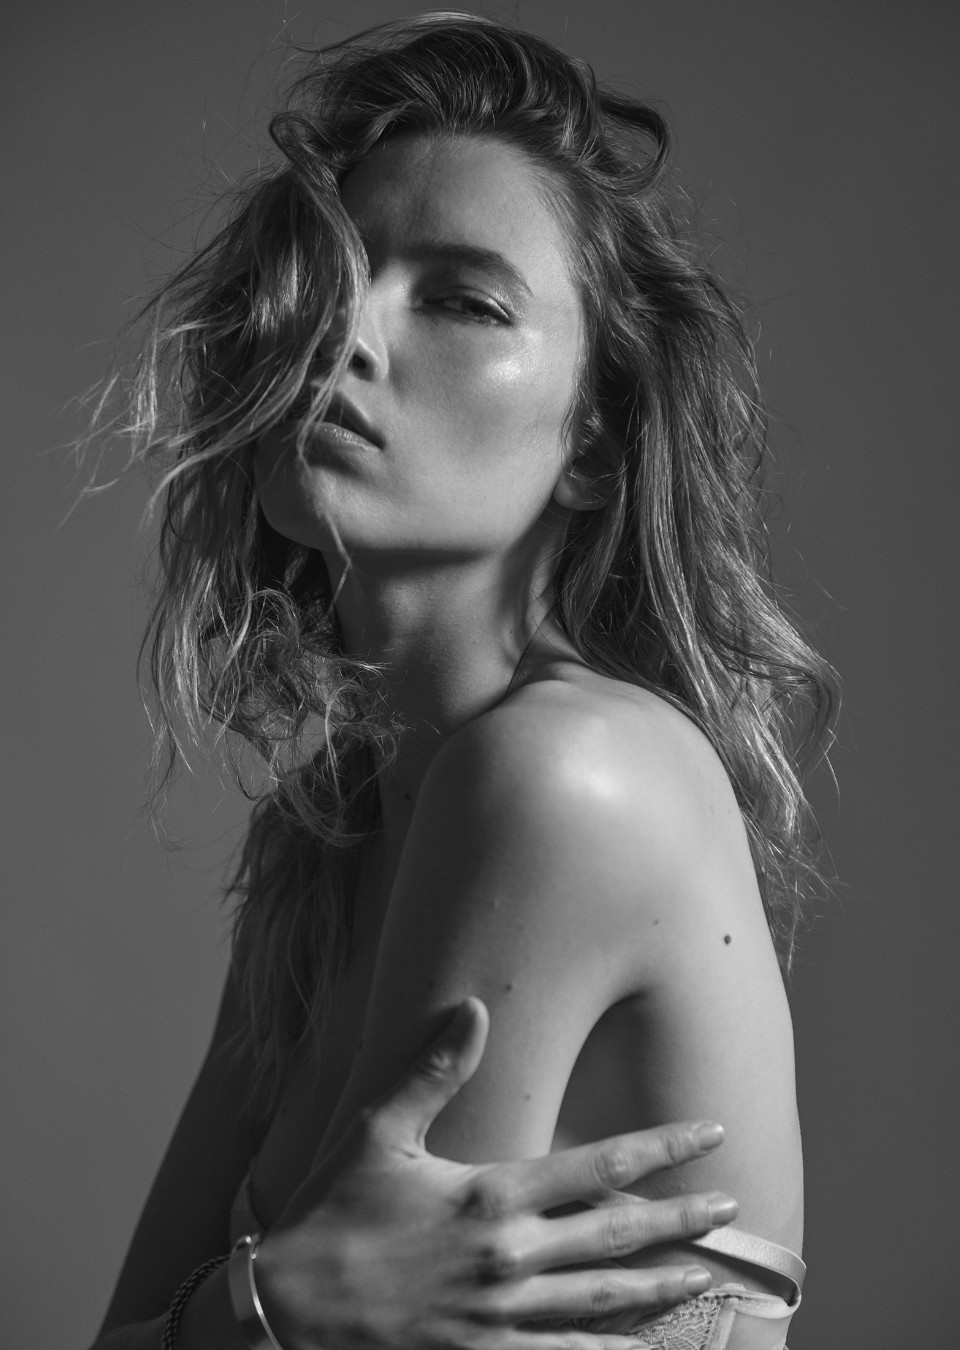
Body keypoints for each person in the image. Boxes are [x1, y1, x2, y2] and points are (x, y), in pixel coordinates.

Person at [89, 14, 834, 1350]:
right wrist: (269, 1305)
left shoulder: (563, 775)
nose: (343, 333)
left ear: (593, 442)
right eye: (335, 275)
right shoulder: (318, 844)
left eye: (463, 300)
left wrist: (242, 1311)